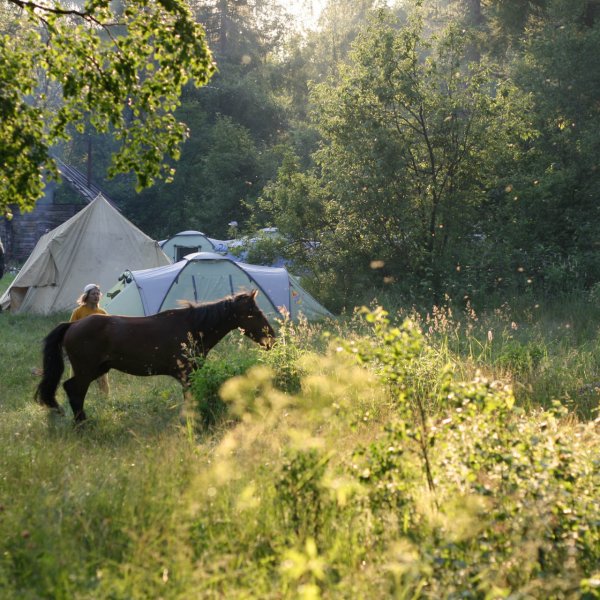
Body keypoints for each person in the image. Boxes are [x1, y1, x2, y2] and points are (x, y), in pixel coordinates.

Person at [70, 283, 110, 395]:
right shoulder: (78, 312)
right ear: (86, 296)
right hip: (81, 348)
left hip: (98, 350)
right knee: (77, 373)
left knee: (101, 375)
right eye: (93, 294)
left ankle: (104, 397)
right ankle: (74, 394)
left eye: (98, 294)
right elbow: (71, 329)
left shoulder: (102, 313)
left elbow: (108, 332)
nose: (96, 296)